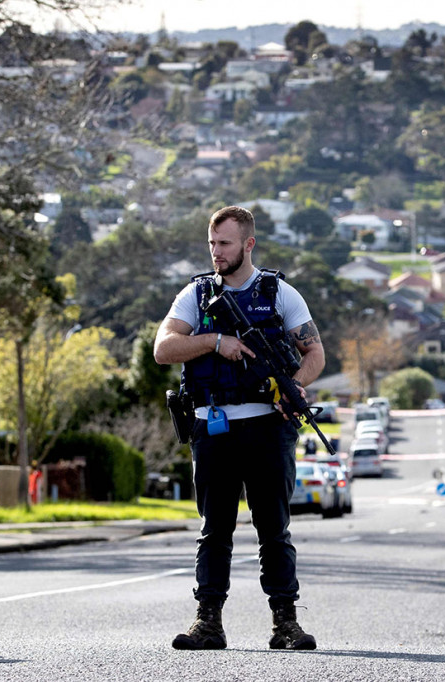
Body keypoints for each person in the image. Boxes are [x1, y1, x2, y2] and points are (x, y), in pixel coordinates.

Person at [154, 206, 325, 651]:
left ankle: (285, 623)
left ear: (248, 244)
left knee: (274, 529)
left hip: (269, 428)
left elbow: (315, 355)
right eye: (212, 243)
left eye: (225, 243)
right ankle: (207, 623)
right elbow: (164, 348)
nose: (216, 252)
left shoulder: (279, 293)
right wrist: (215, 341)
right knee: (215, 529)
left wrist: (289, 387)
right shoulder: (195, 295)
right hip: (214, 428)